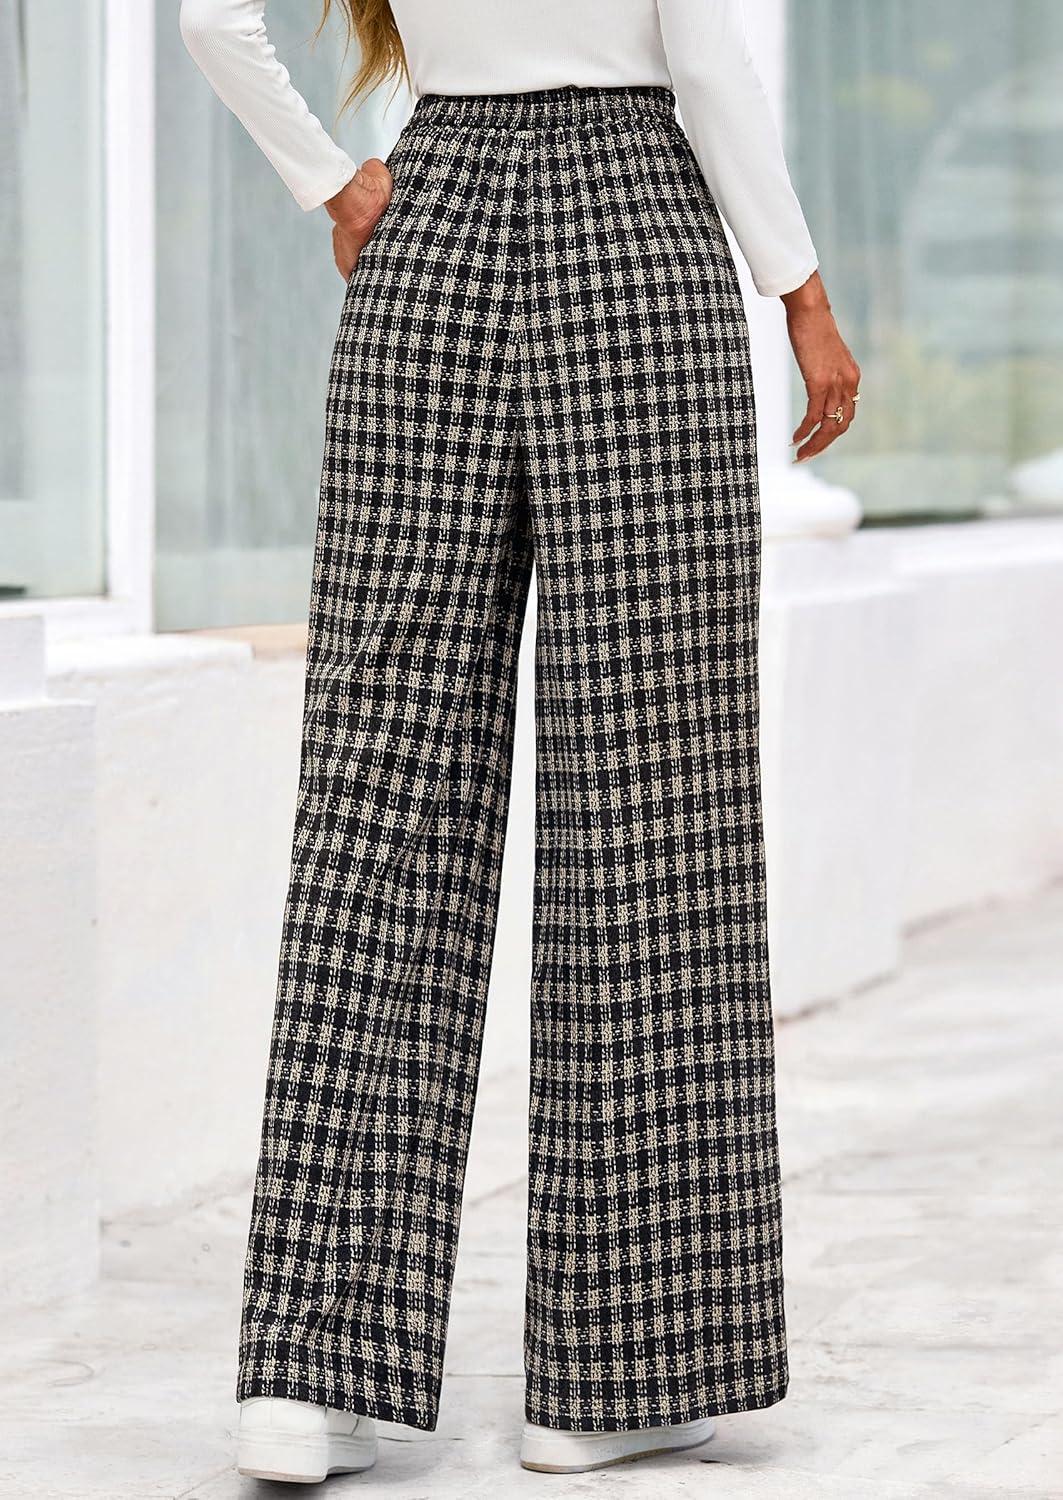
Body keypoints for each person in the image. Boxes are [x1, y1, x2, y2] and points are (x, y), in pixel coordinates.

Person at [180, 0, 860, 1483]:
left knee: (379, 804)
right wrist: (800, 291)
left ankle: (311, 1375)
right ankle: (615, 1378)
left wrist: (331, 180)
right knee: (651, 807)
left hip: (429, 235)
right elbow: (704, 58)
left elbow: (210, 15)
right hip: (637, 245)